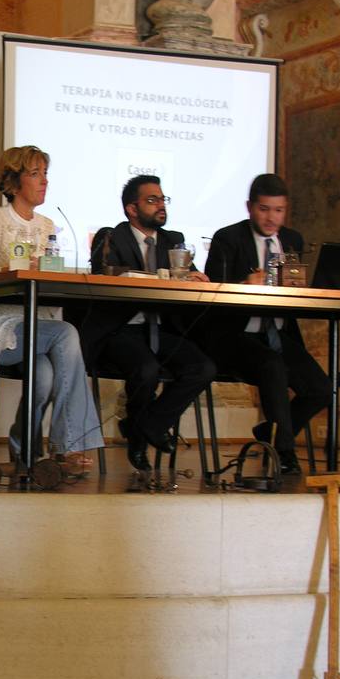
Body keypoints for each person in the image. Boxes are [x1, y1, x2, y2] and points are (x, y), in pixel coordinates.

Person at [0, 145, 104, 467]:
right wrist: (9, 271)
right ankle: (68, 446)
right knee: (67, 334)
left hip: (37, 324)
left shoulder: (48, 225)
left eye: (45, 174)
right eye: (35, 174)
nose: (44, 181)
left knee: (45, 377)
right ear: (13, 181)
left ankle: (24, 450)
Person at [79, 175, 216, 469]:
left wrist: (194, 278)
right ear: (131, 209)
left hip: (162, 328)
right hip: (121, 329)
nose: (160, 206)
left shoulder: (173, 241)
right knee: (147, 369)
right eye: (152, 200)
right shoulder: (111, 238)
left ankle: (145, 424)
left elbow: (187, 280)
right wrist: (163, 278)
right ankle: (140, 441)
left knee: (203, 368)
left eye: (163, 199)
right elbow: (108, 278)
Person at [202, 173, 332, 474]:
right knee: (272, 366)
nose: (271, 218)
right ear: (249, 207)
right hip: (235, 335)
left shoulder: (292, 240)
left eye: (278, 210)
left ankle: (271, 434)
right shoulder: (228, 238)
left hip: (277, 332)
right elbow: (212, 292)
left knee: (321, 389)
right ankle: (284, 453)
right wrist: (243, 284)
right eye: (264, 209)